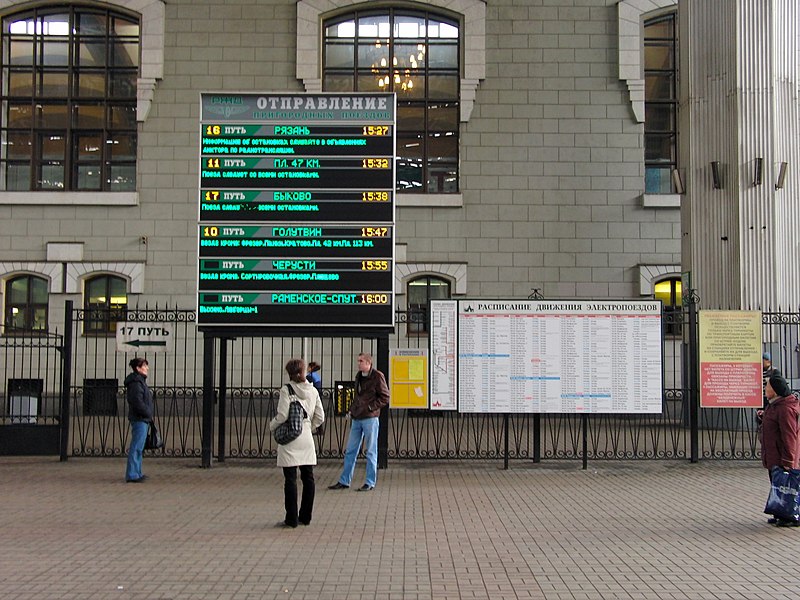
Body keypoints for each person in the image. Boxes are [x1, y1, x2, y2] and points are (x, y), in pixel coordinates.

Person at [269, 358, 325, 528]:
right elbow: (320, 416)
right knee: (308, 478)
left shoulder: (287, 390)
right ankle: (306, 517)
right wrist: (308, 427)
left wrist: (272, 426)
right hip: (306, 438)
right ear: (304, 372)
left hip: (290, 440)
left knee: (290, 479)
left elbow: (282, 415)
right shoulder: (313, 390)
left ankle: (291, 519)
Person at [328, 352, 389, 492]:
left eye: (361, 361)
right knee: (350, 450)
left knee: (371, 451)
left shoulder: (377, 376)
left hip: (370, 418)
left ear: (368, 363)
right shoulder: (359, 376)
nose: (358, 363)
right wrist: (352, 409)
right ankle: (345, 480)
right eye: (358, 361)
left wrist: (370, 407)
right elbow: (358, 396)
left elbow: (385, 397)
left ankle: (370, 481)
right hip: (357, 417)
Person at [759, 373, 800, 527]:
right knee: (778, 485)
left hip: (781, 456)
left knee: (787, 487)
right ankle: (780, 512)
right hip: (773, 455)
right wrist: (763, 417)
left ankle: (790, 516)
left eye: (767, 386)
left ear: (775, 390)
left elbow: (789, 436)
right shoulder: (775, 405)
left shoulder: (785, 409)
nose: (765, 388)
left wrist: (788, 460)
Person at [124, 357, 154, 483]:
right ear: (138, 368)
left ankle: (137, 472)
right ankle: (132, 474)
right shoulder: (136, 383)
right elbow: (137, 402)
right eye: (144, 366)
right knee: (136, 446)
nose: (147, 368)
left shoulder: (140, 381)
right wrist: (147, 412)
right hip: (140, 418)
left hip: (142, 418)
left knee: (139, 447)